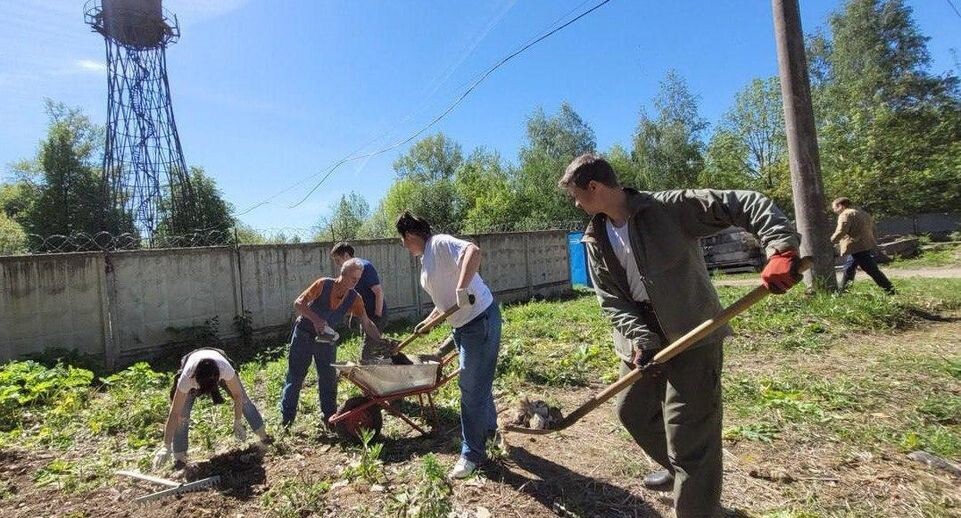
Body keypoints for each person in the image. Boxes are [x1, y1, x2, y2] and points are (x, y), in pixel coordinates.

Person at [559, 154, 801, 517]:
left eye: (577, 195)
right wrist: (642, 339)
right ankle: (680, 472)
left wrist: (780, 247)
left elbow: (746, 202)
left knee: (690, 435)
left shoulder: (669, 209)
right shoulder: (596, 238)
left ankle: (699, 507)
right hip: (641, 339)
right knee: (633, 412)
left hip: (691, 331)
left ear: (594, 187)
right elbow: (610, 299)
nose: (577, 204)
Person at [396, 212, 501, 479]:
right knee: (479, 382)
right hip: (461, 325)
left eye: (403, 241)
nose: (404, 246)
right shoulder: (426, 259)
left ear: (410, 236)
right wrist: (429, 321)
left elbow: (473, 251)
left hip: (480, 320)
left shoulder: (439, 243)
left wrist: (463, 288)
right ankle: (489, 430)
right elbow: (443, 301)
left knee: (470, 385)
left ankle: (471, 454)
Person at [279, 258, 383, 428]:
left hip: (326, 340)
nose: (355, 283)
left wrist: (380, 340)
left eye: (358, 279)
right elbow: (299, 303)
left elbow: (366, 321)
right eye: (352, 278)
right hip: (304, 335)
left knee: (328, 378)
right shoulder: (323, 285)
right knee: (296, 377)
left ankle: (329, 419)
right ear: (342, 274)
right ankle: (286, 419)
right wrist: (315, 319)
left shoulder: (355, 298)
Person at [154, 348, 270, 470]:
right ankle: (180, 460)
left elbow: (238, 395)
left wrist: (238, 421)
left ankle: (264, 438)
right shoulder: (186, 378)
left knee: (245, 402)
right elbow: (174, 413)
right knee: (182, 416)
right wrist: (166, 446)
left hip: (218, 359)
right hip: (193, 364)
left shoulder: (225, 369)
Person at [830, 197, 895, 294]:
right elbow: (872, 229)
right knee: (849, 269)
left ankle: (890, 290)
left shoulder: (845, 214)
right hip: (864, 244)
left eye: (834, 207)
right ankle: (844, 292)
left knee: (871, 269)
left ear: (840, 206)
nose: (834, 210)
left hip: (856, 246)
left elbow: (841, 231)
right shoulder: (862, 213)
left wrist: (830, 241)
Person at [330, 242, 388, 330]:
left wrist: (377, 317)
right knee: (373, 342)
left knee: (370, 343)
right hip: (365, 315)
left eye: (338, 260)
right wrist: (353, 316)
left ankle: (387, 344)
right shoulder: (349, 271)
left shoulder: (365, 267)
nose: (337, 264)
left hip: (375, 314)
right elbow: (354, 294)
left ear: (346, 256)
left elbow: (378, 292)